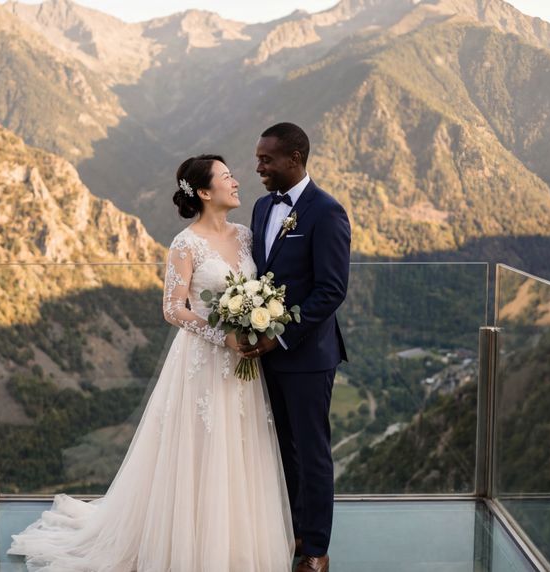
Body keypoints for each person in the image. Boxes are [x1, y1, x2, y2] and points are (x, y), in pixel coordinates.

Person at [8, 154, 294, 571]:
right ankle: (190, 546)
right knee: (199, 450)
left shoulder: (247, 235)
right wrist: (222, 334)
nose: (236, 182)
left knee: (239, 447)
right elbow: (173, 309)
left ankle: (234, 547)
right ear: (203, 192)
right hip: (202, 360)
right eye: (227, 177)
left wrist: (253, 324)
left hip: (241, 364)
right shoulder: (185, 243)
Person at [241, 122, 351, 572]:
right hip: (265, 354)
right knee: (281, 449)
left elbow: (331, 290)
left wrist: (280, 335)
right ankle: (294, 532)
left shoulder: (327, 212)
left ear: (296, 158)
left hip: (306, 356)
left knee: (312, 452)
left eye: (267, 159)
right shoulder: (262, 207)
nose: (259, 167)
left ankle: (317, 550)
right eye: (258, 159)